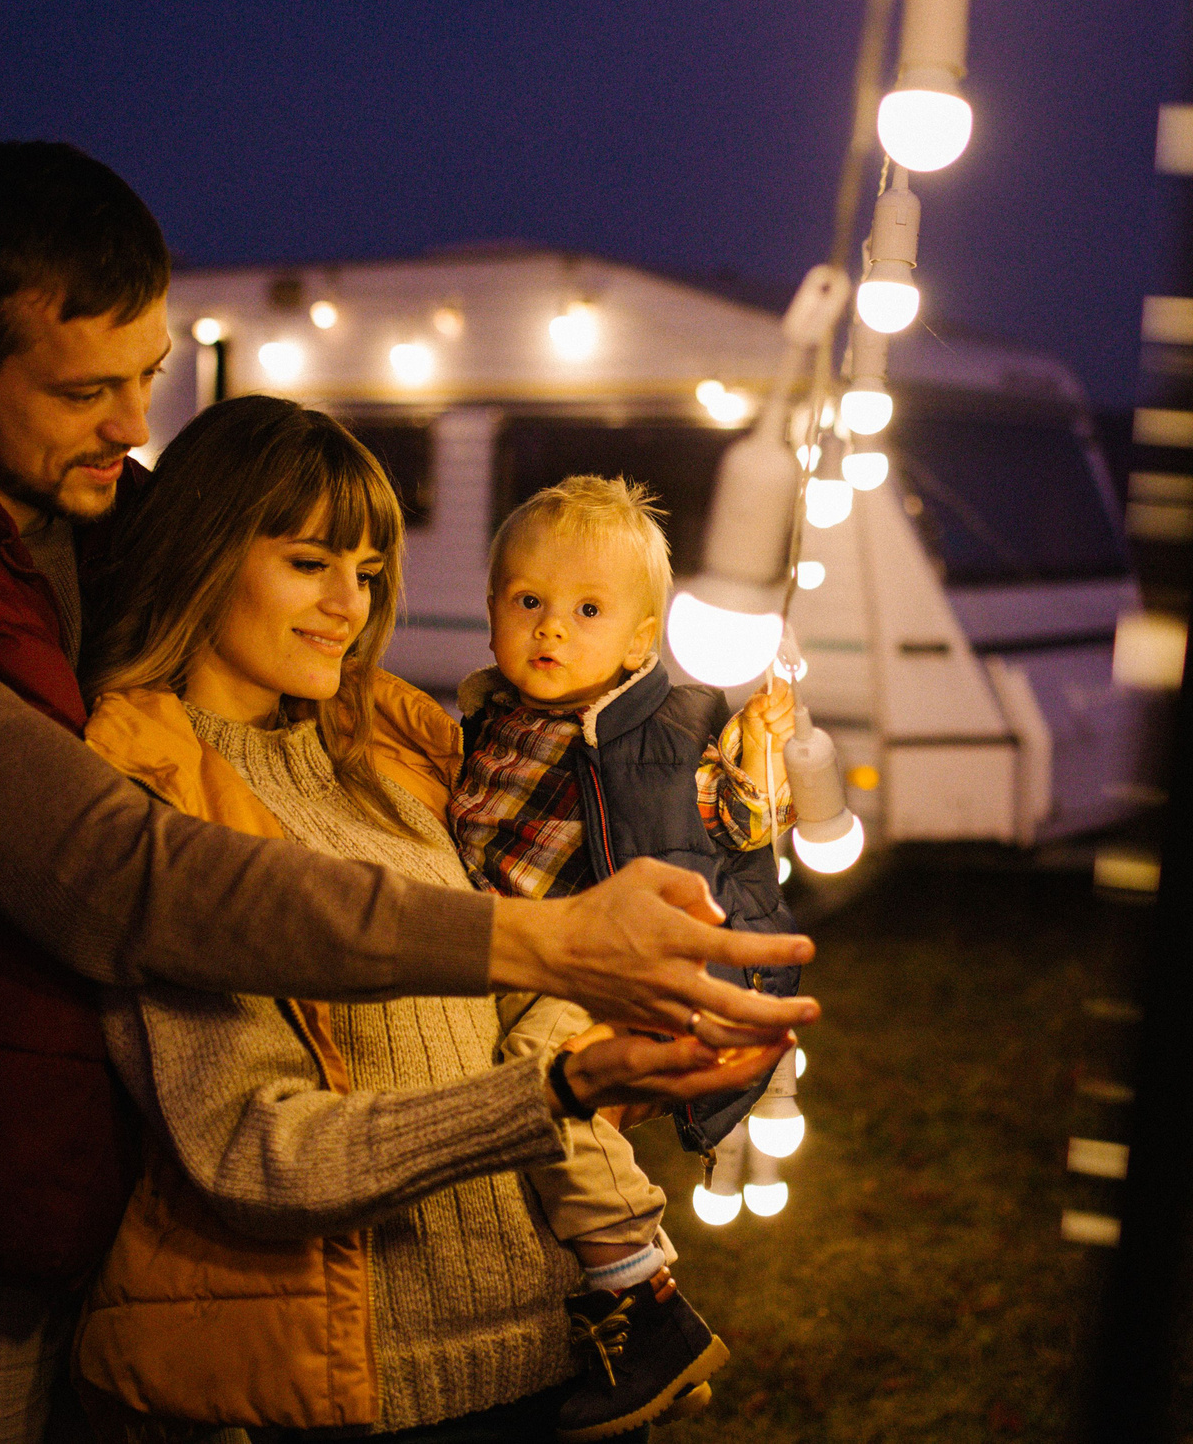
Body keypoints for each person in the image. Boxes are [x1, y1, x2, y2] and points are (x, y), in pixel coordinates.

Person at [0, 141, 815, 1444]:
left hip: (96, 1185)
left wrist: (708, 806)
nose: (130, 424)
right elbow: (124, 873)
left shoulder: (133, 542)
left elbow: (513, 801)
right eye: (86, 387)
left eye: (148, 376)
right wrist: (542, 956)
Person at [67, 395, 784, 1442]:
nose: (348, 608)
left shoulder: (408, 753)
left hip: (555, 1349)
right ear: (203, 553)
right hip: (379, 1384)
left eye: (366, 574)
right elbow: (253, 1153)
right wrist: (556, 1089)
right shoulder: (154, 793)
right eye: (311, 563)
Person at [449, 476, 799, 1440]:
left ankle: (644, 1302)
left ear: (640, 642)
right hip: (515, 958)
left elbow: (738, 827)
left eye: (588, 610)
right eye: (529, 602)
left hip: (609, 962)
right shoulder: (482, 721)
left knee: (546, 1083)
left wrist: (760, 757)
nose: (552, 629)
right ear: (491, 613)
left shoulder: (665, 730)